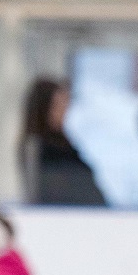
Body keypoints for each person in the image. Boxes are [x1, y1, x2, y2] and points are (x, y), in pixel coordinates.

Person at [21, 77, 107, 207]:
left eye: (65, 104)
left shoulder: (66, 146)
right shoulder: (38, 149)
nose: (64, 111)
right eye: (58, 105)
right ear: (44, 108)